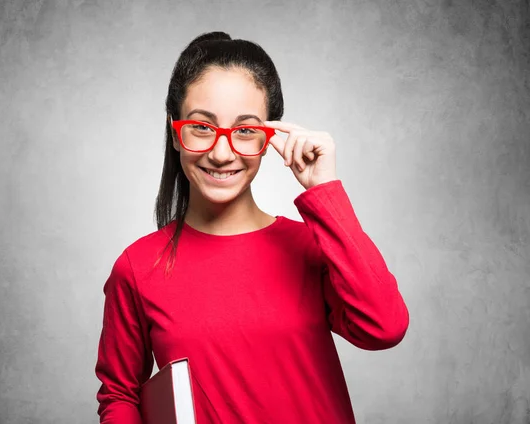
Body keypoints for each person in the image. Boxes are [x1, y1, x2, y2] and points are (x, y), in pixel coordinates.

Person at [94, 31, 409, 424]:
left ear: (269, 137)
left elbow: (384, 327)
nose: (221, 153)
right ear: (175, 132)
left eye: (245, 130)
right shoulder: (137, 268)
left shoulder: (310, 247)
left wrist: (325, 191)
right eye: (201, 127)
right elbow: (119, 396)